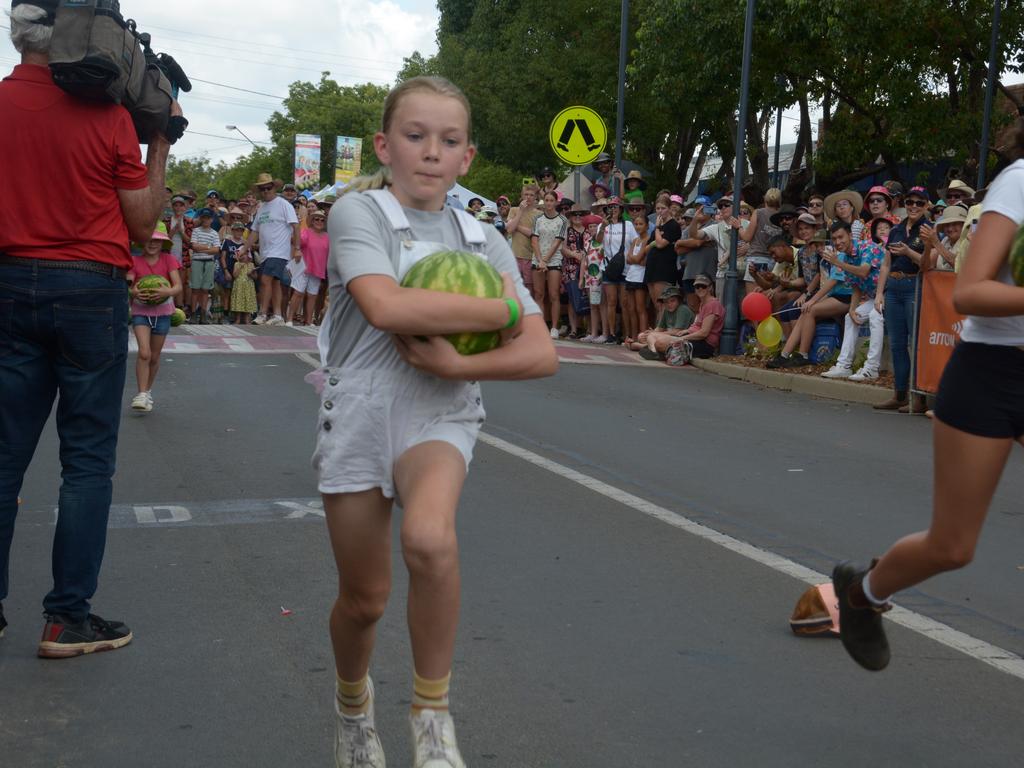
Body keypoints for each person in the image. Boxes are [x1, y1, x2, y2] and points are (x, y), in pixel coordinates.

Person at [319, 75, 558, 768]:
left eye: (448, 141)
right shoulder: (357, 215)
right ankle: (352, 705)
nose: (430, 152)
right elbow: (387, 309)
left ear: (467, 159)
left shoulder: (484, 239)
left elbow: (543, 355)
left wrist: (457, 367)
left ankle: (431, 714)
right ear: (384, 145)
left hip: (442, 410)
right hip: (361, 403)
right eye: (416, 136)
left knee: (430, 542)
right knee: (364, 600)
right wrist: (507, 311)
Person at [0, 2, 179, 655]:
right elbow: (141, 224)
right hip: (88, 290)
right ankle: (65, 617)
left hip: (9, 282)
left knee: (3, 458)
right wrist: (158, 138)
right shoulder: (108, 119)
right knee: (86, 463)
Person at [832, 137, 1024, 673]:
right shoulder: (1020, 183)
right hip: (992, 372)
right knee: (952, 546)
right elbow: (968, 291)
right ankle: (861, 596)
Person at [768, 221, 866, 369]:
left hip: (849, 297)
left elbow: (832, 282)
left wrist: (812, 300)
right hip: (835, 296)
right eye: (816, 245)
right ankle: (785, 354)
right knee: (805, 311)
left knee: (810, 309)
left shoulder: (838, 256)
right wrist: (812, 300)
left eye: (823, 244)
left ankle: (803, 354)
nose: (820, 248)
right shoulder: (825, 261)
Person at [874, 186, 931, 413]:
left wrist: (909, 252)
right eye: (910, 202)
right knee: (897, 343)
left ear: (926, 205)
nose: (914, 206)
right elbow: (886, 263)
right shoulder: (897, 229)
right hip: (894, 287)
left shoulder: (929, 229)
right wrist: (880, 293)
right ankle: (899, 394)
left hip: (914, 284)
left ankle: (919, 397)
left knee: (916, 343)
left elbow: (928, 264)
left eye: (919, 203)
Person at [819, 225, 886, 381]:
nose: (837, 242)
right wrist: (852, 309)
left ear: (850, 235)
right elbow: (856, 285)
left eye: (841, 237)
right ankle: (844, 366)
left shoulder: (866, 247)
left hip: (888, 292)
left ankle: (872, 368)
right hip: (873, 296)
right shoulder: (846, 257)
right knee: (851, 317)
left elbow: (863, 271)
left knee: (875, 315)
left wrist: (838, 263)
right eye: (834, 239)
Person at [128, 230, 182, 411]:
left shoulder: (168, 260)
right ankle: (141, 394)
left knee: (154, 356)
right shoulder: (134, 261)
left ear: (163, 244)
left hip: (164, 312)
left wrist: (167, 292)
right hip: (140, 312)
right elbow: (128, 285)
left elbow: (177, 286)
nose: (152, 244)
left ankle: (148, 391)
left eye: (157, 241)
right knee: (144, 352)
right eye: (148, 240)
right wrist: (133, 292)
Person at [243, 173, 300, 326]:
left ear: (274, 188)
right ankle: (278, 315)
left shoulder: (284, 204)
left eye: (268, 187)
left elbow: (295, 225)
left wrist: (297, 248)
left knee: (265, 280)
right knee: (274, 283)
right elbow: (255, 231)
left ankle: (262, 314)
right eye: (262, 188)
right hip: (265, 253)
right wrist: (244, 248)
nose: (266, 191)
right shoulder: (261, 208)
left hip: (279, 251)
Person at [531, 190, 568, 338]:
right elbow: (534, 241)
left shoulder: (563, 220)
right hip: (538, 258)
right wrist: (540, 260)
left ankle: (554, 327)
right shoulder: (537, 219)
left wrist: (545, 260)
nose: (549, 203)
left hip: (554, 259)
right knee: (539, 293)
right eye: (546, 200)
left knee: (553, 294)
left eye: (551, 200)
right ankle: (539, 326)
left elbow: (557, 242)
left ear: (556, 202)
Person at [600, 198, 636, 344]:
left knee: (625, 302)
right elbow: (597, 240)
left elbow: (635, 241)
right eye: (610, 207)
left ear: (621, 209)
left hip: (625, 267)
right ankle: (612, 334)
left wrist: (630, 256)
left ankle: (626, 334)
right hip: (608, 267)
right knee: (611, 302)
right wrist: (602, 227)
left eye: (616, 207)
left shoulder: (628, 225)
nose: (613, 209)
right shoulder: (604, 224)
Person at [666, 273, 724, 359]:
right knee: (657, 339)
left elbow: (704, 333)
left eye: (703, 286)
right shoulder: (703, 303)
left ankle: (652, 350)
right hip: (695, 339)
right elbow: (698, 326)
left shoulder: (712, 304)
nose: (700, 289)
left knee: (660, 342)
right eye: (697, 286)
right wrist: (687, 331)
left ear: (710, 287)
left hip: (705, 344)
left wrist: (684, 338)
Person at [287, 209, 328, 326]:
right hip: (304, 268)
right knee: (298, 293)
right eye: (316, 219)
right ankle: (289, 319)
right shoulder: (306, 232)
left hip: (318, 270)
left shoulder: (327, 237)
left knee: (312, 295)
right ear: (312, 221)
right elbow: (296, 240)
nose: (319, 221)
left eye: (322, 220)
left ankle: (309, 321)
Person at [633, 286, 695, 357]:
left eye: (672, 301)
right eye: (666, 302)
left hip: (683, 339)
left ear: (679, 300)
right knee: (641, 336)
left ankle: (654, 352)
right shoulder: (666, 310)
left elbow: (677, 332)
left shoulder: (682, 309)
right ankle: (648, 347)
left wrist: (654, 334)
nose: (669, 304)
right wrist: (653, 332)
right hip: (669, 337)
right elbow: (660, 328)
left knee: (651, 336)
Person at [504, 184, 540, 292]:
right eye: (526, 194)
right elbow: (509, 230)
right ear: (522, 196)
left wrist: (516, 226)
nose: (528, 197)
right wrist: (520, 211)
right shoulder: (514, 210)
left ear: (535, 197)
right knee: (515, 286)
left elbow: (533, 234)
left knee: (530, 288)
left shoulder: (539, 214)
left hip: (530, 256)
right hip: (515, 255)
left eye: (531, 195)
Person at [188, 208, 220, 324]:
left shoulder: (214, 233)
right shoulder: (196, 231)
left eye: (208, 218)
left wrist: (202, 247)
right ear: (201, 219)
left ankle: (203, 314)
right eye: (203, 218)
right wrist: (208, 247)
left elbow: (216, 249)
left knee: (205, 290)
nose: (205, 220)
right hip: (197, 261)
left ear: (211, 219)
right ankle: (192, 314)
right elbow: (194, 246)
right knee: (195, 289)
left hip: (209, 262)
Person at [580, 214, 606, 342]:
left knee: (601, 304)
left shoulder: (603, 239)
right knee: (592, 304)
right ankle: (593, 332)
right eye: (590, 226)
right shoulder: (587, 240)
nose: (592, 228)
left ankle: (605, 333)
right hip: (589, 276)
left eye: (595, 226)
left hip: (599, 275)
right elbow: (584, 259)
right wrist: (581, 279)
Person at [231, 249, 258, 324]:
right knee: (238, 302)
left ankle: (247, 319)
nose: (243, 257)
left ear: (248, 256)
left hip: (248, 286)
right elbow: (235, 275)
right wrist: (240, 267)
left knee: (248, 301)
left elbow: (256, 277)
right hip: (239, 286)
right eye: (241, 255)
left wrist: (251, 274)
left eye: (244, 255)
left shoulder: (251, 265)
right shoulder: (236, 264)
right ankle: (238, 319)